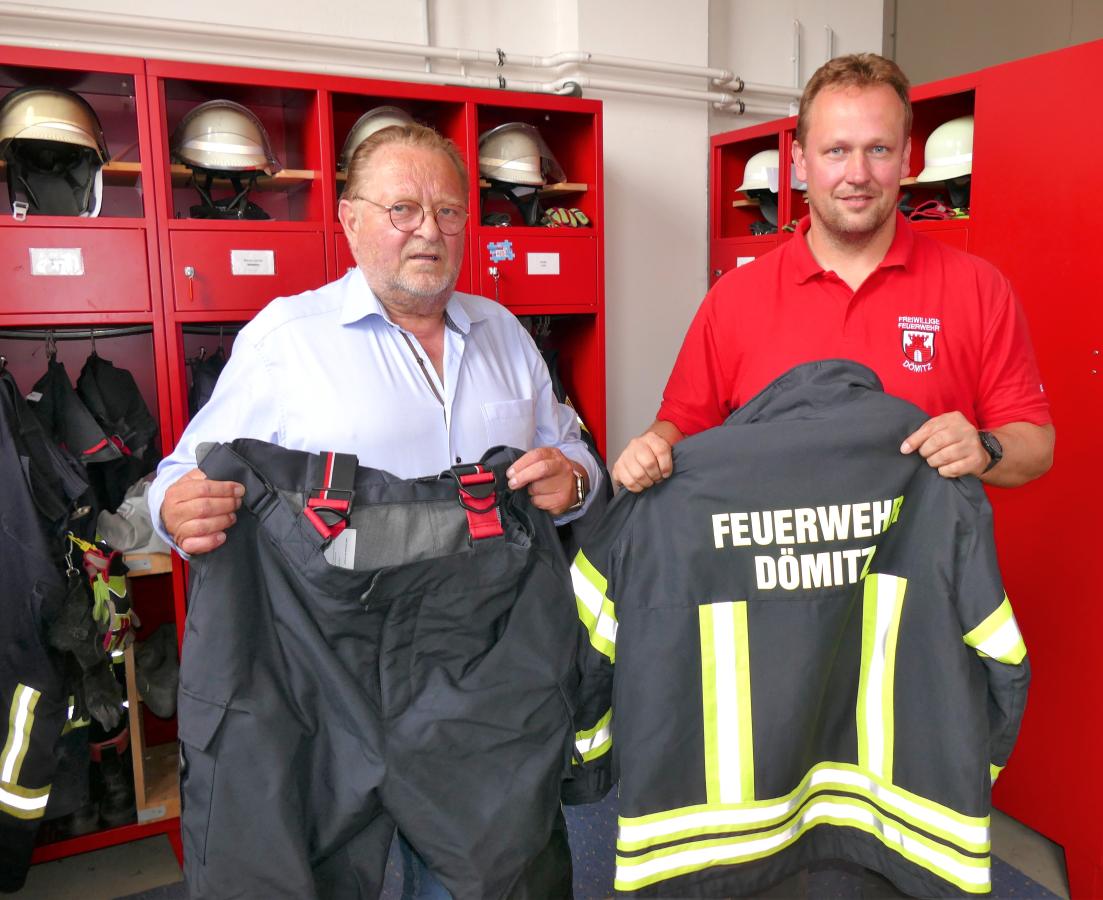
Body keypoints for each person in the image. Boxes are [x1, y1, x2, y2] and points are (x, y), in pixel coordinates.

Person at [146, 122, 600, 897]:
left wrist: (576, 480)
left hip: (481, 670)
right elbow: (179, 474)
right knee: (315, 873)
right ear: (351, 220)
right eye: (402, 209)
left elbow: (573, 450)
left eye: (449, 211)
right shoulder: (286, 342)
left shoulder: (507, 338)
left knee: (490, 878)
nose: (429, 229)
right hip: (331, 665)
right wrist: (173, 509)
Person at [613, 53, 1053, 492]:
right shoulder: (734, 298)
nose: (857, 174)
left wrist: (984, 447)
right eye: (837, 151)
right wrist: (650, 450)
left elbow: (1035, 444)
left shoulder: (978, 287)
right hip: (775, 560)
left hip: (920, 561)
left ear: (904, 161)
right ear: (801, 163)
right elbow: (681, 427)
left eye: (878, 149)